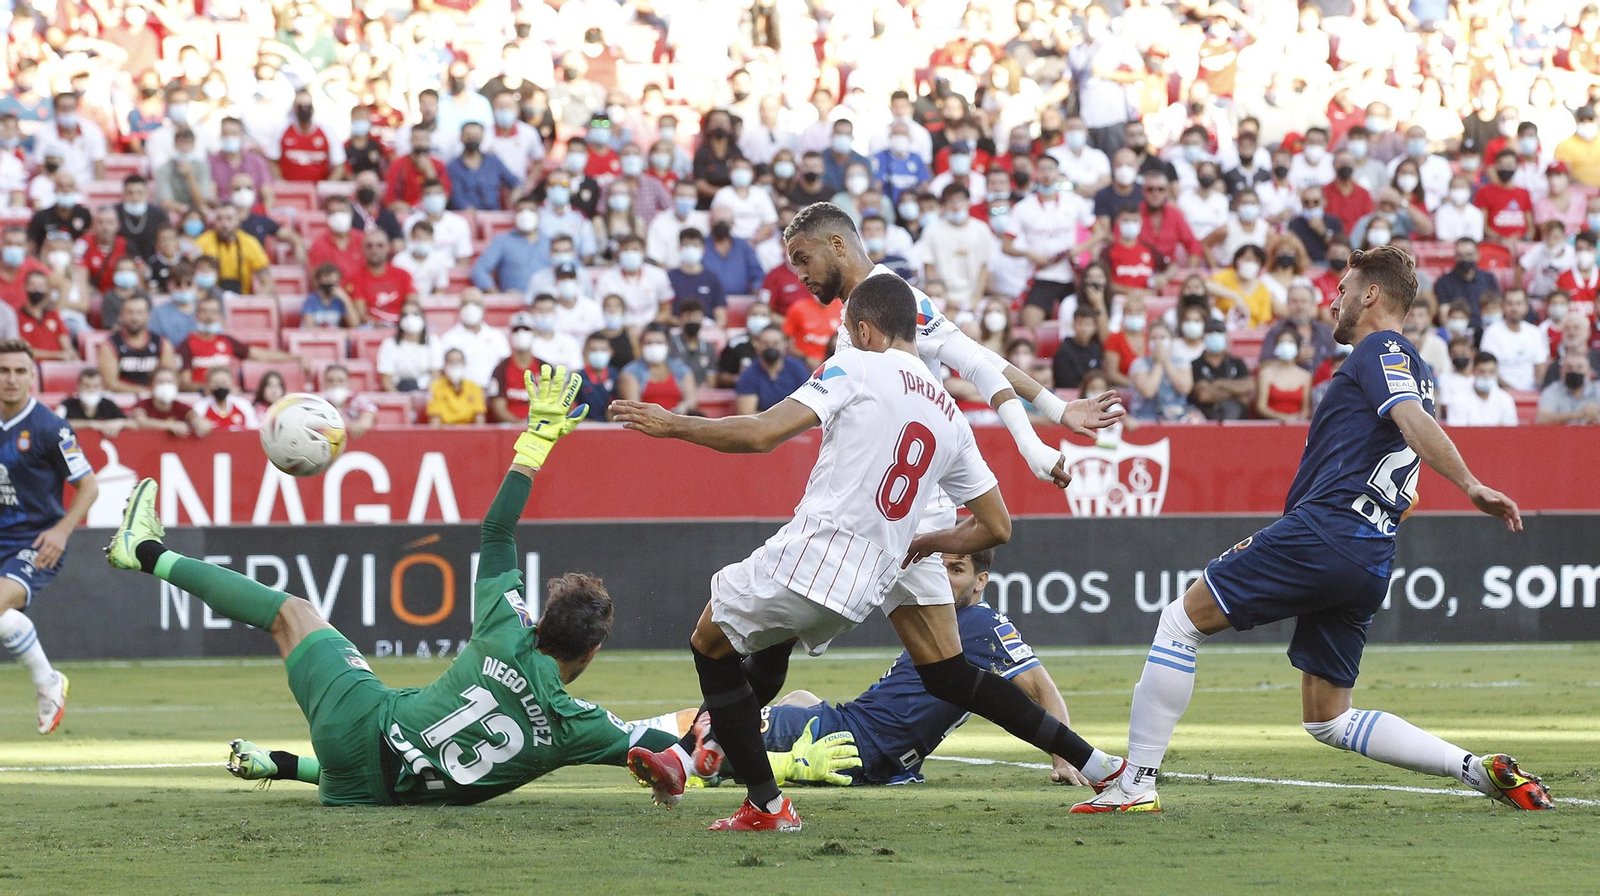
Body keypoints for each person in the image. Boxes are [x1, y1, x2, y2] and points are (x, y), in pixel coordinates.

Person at [109, 369, 853, 804]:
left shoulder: (504, 627)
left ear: (540, 622)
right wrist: (784, 765)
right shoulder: (579, 726)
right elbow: (676, 751)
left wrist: (536, 440)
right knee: (409, 762)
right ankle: (280, 764)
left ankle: (146, 552)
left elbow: (495, 532)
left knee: (292, 613)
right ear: (591, 654)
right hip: (375, 793)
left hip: (359, 733)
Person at [614, 276, 1125, 832]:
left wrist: (674, 425)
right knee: (944, 672)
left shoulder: (855, 365)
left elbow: (761, 433)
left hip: (815, 554)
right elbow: (996, 527)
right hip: (874, 580)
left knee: (709, 642)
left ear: (863, 329)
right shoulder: (951, 415)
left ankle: (762, 801)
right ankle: (1101, 766)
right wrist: (924, 543)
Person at [1074, 245, 1550, 815]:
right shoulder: (1419, 371)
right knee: (1328, 718)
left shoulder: (1380, 349)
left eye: (1343, 289)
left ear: (1371, 294)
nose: (1333, 301)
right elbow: (1407, 478)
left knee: (1180, 622)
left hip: (1327, 533)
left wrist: (1470, 484)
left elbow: (1410, 422)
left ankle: (1136, 782)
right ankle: (1474, 769)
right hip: (1371, 555)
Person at [0, 339, 96, 734]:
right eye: (4, 370)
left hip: (34, 543)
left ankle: (47, 682)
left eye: (19, 371)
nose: (11, 379)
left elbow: (89, 486)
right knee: (4, 620)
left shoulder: (50, 428)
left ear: (32, 377)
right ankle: (49, 680)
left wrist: (61, 530)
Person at [920, 185, 993, 313]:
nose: (956, 205)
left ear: (968, 202)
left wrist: (976, 299)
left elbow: (984, 268)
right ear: (943, 205)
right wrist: (943, 298)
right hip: (943, 298)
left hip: (974, 297)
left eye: (960, 200)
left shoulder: (982, 229)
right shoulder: (931, 231)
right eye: (951, 201)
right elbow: (929, 267)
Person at [1479, 290, 1550, 392]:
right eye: (1510, 303)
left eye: (1518, 303)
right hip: (1501, 392)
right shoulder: (1492, 332)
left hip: (1532, 392)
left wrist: (1537, 391)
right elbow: (1489, 368)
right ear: (1503, 307)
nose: (1514, 308)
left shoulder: (1535, 332)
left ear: (1526, 307)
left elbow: (1540, 366)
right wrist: (1513, 392)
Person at [100, 296, 174, 392]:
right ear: (121, 315)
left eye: (139, 313)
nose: (134, 318)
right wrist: (143, 391)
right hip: (122, 398)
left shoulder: (162, 343)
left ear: (148, 315)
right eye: (130, 312)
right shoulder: (110, 345)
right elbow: (110, 383)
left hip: (156, 397)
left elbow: (170, 378)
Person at [618, 326, 696, 414]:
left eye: (659, 343)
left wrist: (683, 408)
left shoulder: (681, 369)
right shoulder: (630, 372)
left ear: (668, 345)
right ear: (641, 345)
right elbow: (633, 407)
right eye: (649, 343)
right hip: (645, 420)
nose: (654, 347)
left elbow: (691, 401)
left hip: (677, 419)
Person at [1128, 321, 1195, 422]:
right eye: (1153, 338)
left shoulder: (1181, 362)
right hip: (1145, 417)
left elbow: (1185, 388)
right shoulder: (1139, 363)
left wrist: (1167, 362)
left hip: (1177, 418)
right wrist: (1159, 363)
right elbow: (1148, 391)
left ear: (1171, 340)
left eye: (1162, 338)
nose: (1158, 342)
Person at [346, 229, 416, 325]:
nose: (374, 250)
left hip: (402, 326)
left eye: (380, 245)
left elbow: (413, 303)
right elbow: (362, 315)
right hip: (371, 328)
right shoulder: (355, 278)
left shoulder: (403, 275)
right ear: (362, 249)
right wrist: (383, 326)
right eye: (369, 246)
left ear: (388, 248)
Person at [733, 328, 808, 414]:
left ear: (784, 345)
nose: (771, 347)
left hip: (796, 420)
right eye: (766, 343)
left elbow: (808, 405)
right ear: (757, 345)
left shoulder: (798, 369)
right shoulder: (748, 374)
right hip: (762, 422)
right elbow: (746, 413)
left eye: (775, 343)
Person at [1190, 321, 1253, 420]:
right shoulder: (1196, 364)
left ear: (1226, 337)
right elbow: (1204, 395)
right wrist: (1237, 394)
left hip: (1238, 420)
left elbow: (1249, 385)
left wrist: (1219, 383)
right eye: (1210, 332)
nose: (1215, 335)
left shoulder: (1237, 362)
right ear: (1203, 337)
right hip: (1207, 420)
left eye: (1219, 332)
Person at [130, 368, 209, 437]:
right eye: (160, 382)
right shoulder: (142, 405)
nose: (165, 385)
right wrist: (170, 426)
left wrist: (200, 424)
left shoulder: (181, 407)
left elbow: (196, 419)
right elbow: (140, 421)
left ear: (176, 385)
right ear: (152, 385)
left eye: (169, 382)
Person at [1445, 352, 1519, 427]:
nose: (1486, 376)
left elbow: (1510, 430)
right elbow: (1457, 431)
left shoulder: (1505, 399)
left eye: (1491, 372)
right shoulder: (1459, 399)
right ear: (1473, 371)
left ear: (1497, 373)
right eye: (1482, 372)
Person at [377, 303, 439, 392]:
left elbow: (436, 376)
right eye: (405, 315)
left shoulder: (433, 342)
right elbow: (386, 380)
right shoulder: (389, 344)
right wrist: (400, 399)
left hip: (426, 392)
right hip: (399, 390)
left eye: (415, 314)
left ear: (423, 318)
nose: (410, 318)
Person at [1255, 329, 1313, 421]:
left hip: (1296, 425)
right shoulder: (1266, 373)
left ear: (1297, 347)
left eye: (1290, 342)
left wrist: (1299, 418)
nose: (1286, 345)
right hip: (1271, 424)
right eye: (1281, 342)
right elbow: (1261, 407)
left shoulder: (1306, 376)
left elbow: (1306, 409)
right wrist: (1283, 418)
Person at [57, 368, 128, 436]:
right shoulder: (67, 405)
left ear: (102, 387)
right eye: (87, 386)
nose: (91, 389)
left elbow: (130, 422)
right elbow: (57, 424)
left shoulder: (108, 405)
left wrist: (121, 423)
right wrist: (89, 424)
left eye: (96, 386)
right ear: (78, 386)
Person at [426, 349, 487, 425]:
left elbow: (480, 420)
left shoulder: (474, 388)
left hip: (469, 430)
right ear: (444, 365)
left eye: (458, 361)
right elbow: (435, 421)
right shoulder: (436, 388)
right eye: (450, 362)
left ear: (464, 364)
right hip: (445, 430)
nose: (454, 365)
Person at [1536, 353, 1600, 424]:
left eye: (1579, 367)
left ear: (1589, 372)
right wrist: (1578, 415)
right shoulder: (1552, 391)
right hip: (1561, 431)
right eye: (1569, 367)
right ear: (1561, 371)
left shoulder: (1597, 389)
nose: (1574, 371)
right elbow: (1542, 419)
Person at [1052, 305, 1105, 390]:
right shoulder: (1064, 350)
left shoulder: (1096, 349)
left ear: (1095, 327)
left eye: (1088, 324)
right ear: (1073, 325)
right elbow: (1063, 381)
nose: (1083, 329)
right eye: (1080, 324)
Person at [193, 366, 258, 431]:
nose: (220, 386)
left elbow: (253, 429)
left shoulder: (243, 404)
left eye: (224, 382)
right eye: (215, 383)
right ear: (208, 385)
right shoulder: (201, 406)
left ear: (232, 383)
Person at [300, 264, 359, 329]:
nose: (330, 284)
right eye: (327, 280)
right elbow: (309, 327)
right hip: (316, 335)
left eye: (334, 281)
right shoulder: (311, 300)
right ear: (319, 281)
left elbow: (354, 324)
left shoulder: (339, 301)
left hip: (334, 335)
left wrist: (345, 298)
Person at [577, 334, 619, 421]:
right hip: (585, 425)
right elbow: (572, 412)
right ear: (585, 352)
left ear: (611, 352)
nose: (599, 354)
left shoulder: (616, 375)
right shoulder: (578, 378)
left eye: (603, 350)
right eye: (594, 350)